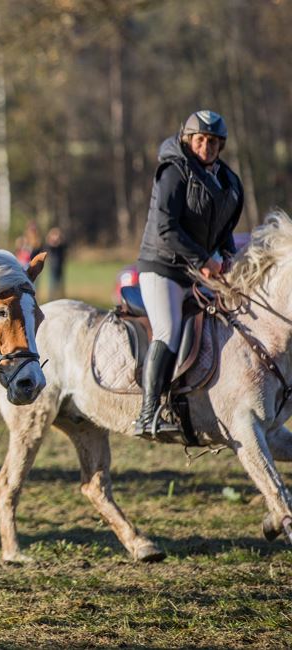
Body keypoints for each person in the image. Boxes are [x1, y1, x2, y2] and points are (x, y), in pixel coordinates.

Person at [134, 109, 243, 438]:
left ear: (220, 145)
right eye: (200, 139)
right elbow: (166, 228)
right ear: (188, 140)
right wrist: (203, 260)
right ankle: (148, 413)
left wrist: (228, 256)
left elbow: (222, 227)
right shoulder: (173, 171)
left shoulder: (227, 180)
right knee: (167, 330)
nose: (206, 146)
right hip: (162, 267)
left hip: (195, 271)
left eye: (213, 141)